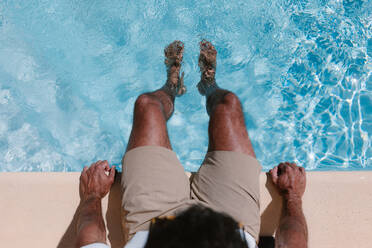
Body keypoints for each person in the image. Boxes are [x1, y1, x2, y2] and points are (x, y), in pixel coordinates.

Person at [73, 40, 308, 248]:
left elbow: (90, 237)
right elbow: (293, 243)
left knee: (147, 105)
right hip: (227, 226)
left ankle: (171, 87)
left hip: (154, 225)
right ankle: (209, 86)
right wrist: (292, 196)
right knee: (228, 105)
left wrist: (92, 195)